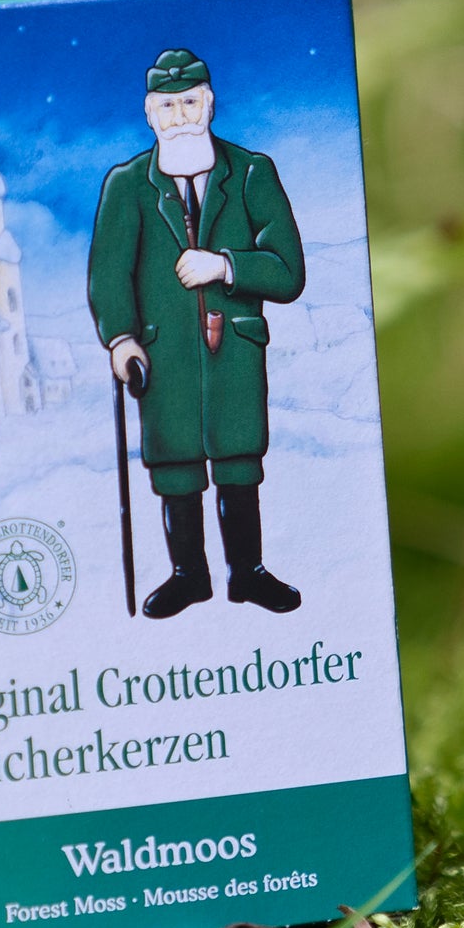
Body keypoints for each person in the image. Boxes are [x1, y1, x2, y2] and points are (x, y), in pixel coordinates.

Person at [88, 49, 305, 616]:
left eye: (189, 102)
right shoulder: (127, 185)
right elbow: (110, 273)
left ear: (209, 103)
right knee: (175, 463)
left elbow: (288, 270)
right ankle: (189, 576)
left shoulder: (251, 173)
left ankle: (248, 573)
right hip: (164, 355)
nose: (180, 116)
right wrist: (121, 339)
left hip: (234, 347)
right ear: (149, 114)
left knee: (238, 459)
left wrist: (226, 266)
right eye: (167, 106)